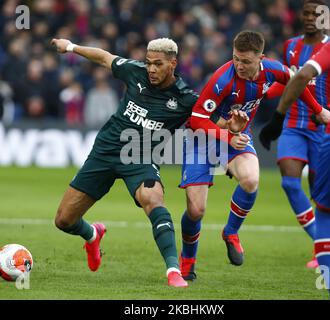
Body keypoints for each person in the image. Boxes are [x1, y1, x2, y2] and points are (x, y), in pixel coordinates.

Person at [51, 37, 247, 287]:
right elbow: (103, 56)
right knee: (64, 221)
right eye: (148, 63)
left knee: (153, 199)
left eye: (158, 64)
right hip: (105, 151)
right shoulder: (135, 71)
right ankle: (92, 234)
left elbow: (210, 122)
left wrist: (232, 129)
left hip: (140, 157)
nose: (151, 69)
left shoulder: (186, 99)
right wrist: (70, 47)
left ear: (173, 63)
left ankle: (173, 271)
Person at [178, 30, 330, 281]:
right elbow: (196, 118)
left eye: (246, 61)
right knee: (196, 210)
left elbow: (297, 82)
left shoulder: (273, 70)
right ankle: (187, 261)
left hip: (236, 135)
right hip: (203, 139)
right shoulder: (222, 79)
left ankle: (231, 232)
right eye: (236, 58)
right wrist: (227, 135)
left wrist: (318, 110)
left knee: (250, 180)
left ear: (261, 57)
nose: (239, 65)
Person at [258, 0, 330, 269]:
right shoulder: (291, 46)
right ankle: (319, 243)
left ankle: (322, 250)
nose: (310, 18)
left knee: (320, 194)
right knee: (290, 183)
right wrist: (262, 95)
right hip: (292, 125)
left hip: (322, 127)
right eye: (306, 13)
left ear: (325, 18)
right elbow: (289, 83)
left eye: (316, 14)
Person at [273, 35, 330, 300]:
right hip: (301, 127)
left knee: (327, 213)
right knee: (292, 183)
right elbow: (290, 77)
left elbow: (302, 75)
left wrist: (277, 115)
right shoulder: (291, 45)